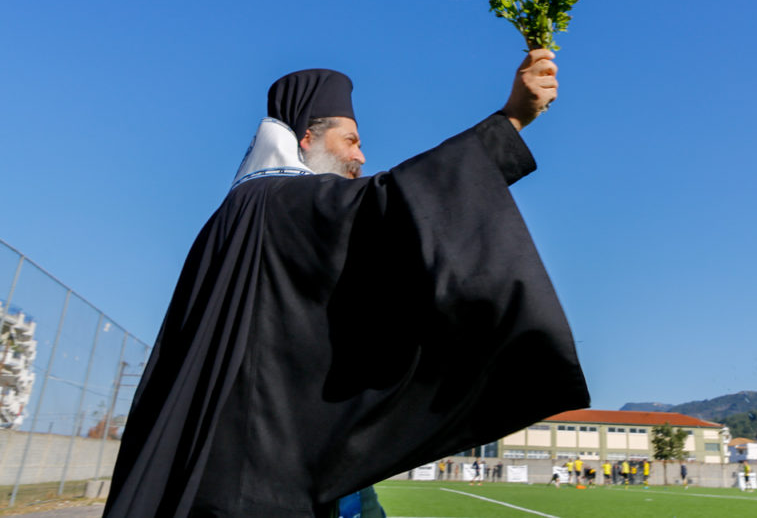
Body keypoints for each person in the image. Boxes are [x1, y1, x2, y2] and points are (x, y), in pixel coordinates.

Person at [102, 50, 590, 518]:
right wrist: (512, 119)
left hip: (242, 467)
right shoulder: (279, 200)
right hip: (261, 482)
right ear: (305, 138)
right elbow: (393, 206)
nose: (361, 155)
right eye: (351, 140)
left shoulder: (238, 216)